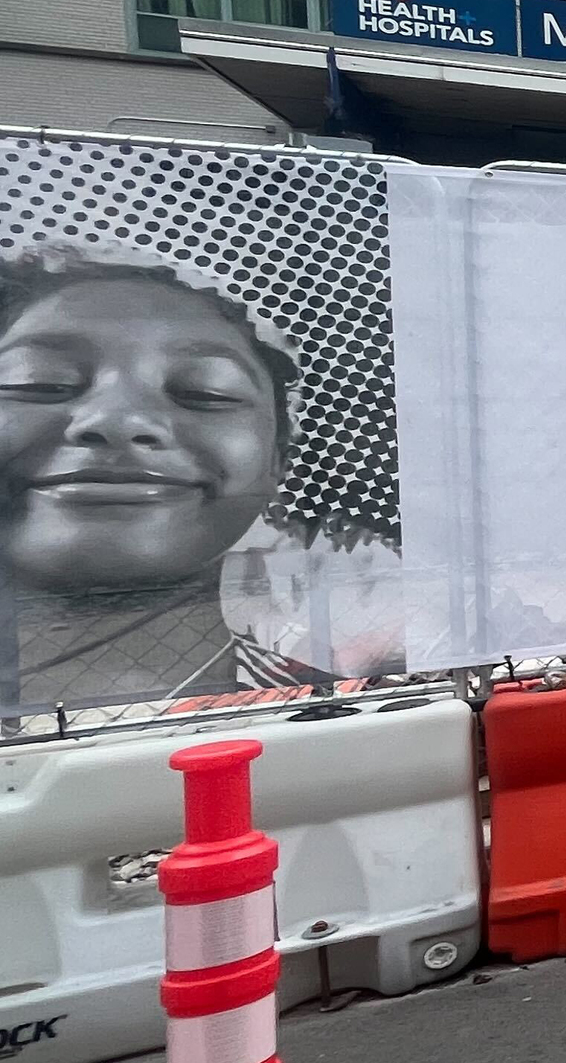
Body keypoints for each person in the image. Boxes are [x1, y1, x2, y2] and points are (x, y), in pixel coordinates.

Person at [1, 245, 399, 714]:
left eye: (205, 393)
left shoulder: (356, 708)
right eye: (39, 384)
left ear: (278, 458)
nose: (120, 419)